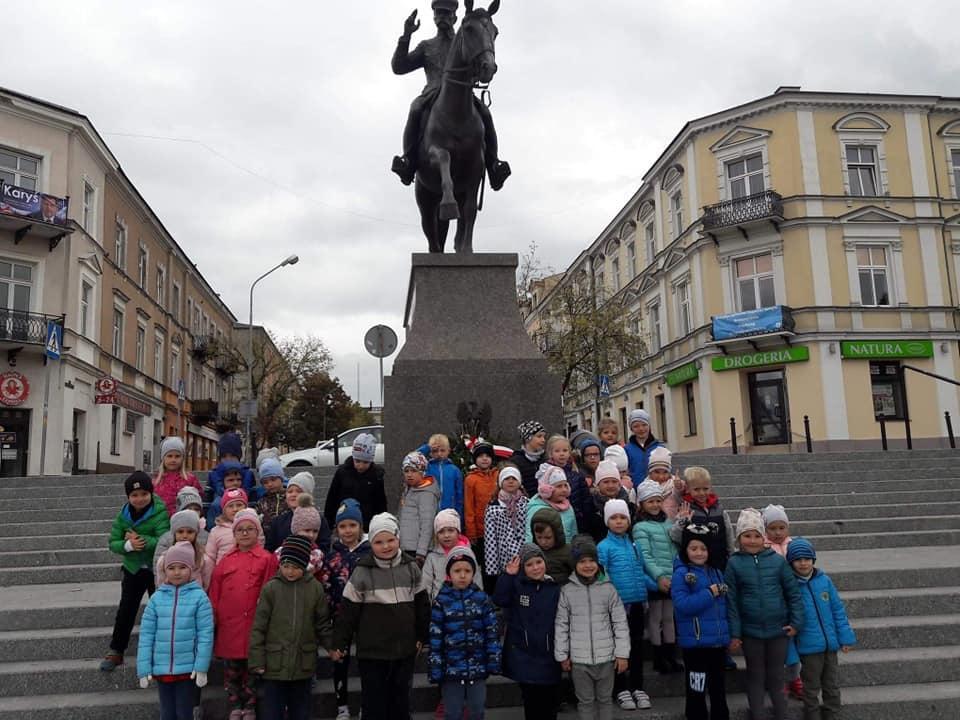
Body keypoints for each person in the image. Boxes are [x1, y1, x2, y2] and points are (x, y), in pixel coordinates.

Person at [390, 0, 511, 190]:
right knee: (415, 108)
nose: (443, 17)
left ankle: (493, 165)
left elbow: (477, 64)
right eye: (439, 14)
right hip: (432, 92)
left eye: (447, 14)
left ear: (455, 17)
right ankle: (408, 161)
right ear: (434, 17)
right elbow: (399, 67)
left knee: (486, 115)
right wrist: (406, 36)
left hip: (463, 96)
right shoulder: (426, 46)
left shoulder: (465, 42)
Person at [329, 512, 431, 720]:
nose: (386, 546)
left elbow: (422, 606)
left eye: (390, 540)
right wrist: (339, 643)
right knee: (374, 704)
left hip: (404, 650)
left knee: (400, 702)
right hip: (372, 653)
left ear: (398, 539)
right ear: (371, 543)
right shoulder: (362, 571)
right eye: (379, 542)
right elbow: (348, 612)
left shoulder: (411, 567)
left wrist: (422, 636)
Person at [725, 508, 805, 720]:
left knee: (777, 677)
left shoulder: (778, 561)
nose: (752, 541)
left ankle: (782, 714)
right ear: (740, 538)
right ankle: (757, 714)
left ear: (764, 537)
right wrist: (735, 633)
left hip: (778, 630)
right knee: (755, 676)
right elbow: (731, 601)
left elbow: (793, 593)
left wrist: (796, 622)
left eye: (756, 536)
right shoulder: (734, 563)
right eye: (747, 536)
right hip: (751, 632)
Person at [249, 535, 333, 720]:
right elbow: (259, 627)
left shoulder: (315, 589)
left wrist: (331, 647)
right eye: (286, 566)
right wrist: (257, 660)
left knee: (300, 711)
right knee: (272, 712)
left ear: (304, 565)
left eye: (295, 567)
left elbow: (322, 624)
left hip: (303, 664)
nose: (290, 571)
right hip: (274, 664)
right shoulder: (271, 589)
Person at [208, 509, 278, 720]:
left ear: (258, 533)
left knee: (253, 670)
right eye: (240, 530)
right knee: (232, 672)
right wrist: (214, 615)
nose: (245, 533)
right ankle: (235, 705)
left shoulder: (267, 559)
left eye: (250, 529)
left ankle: (250, 706)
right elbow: (215, 591)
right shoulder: (226, 561)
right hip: (229, 626)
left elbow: (270, 588)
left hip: (254, 625)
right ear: (234, 534)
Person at [555, 536, 630, 720]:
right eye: (582, 561)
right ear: (575, 564)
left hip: (606, 658)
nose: (588, 565)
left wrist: (622, 654)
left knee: (605, 700)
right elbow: (561, 624)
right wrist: (562, 655)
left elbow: (620, 622)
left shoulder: (608, 588)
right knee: (585, 701)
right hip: (579, 661)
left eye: (592, 561)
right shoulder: (567, 591)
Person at [102, 471, 171, 672]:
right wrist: (128, 545)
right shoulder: (123, 516)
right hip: (133, 569)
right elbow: (112, 543)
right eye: (134, 495)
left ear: (150, 493)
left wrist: (140, 540)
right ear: (128, 497)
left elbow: (164, 539)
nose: (139, 499)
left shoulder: (160, 512)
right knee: (126, 610)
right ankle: (116, 650)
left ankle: (164, 651)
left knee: (161, 610)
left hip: (155, 569)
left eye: (143, 494)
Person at [136, 542, 213, 720]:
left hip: (187, 669)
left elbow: (205, 634)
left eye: (182, 567)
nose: (176, 572)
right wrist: (144, 668)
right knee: (167, 713)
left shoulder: (199, 597)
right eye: (171, 568)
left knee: (184, 712)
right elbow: (147, 635)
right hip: (162, 669)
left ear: (191, 569)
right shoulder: (156, 599)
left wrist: (201, 667)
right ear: (165, 570)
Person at [786, 538, 856, 720]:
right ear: (791, 562)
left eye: (807, 558)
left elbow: (837, 611)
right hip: (809, 649)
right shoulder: (790, 587)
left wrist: (846, 638)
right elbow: (788, 622)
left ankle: (832, 716)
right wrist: (791, 654)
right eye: (798, 559)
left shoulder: (824, 581)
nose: (803, 563)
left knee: (832, 686)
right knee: (811, 689)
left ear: (813, 560)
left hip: (830, 646)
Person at [428, 546, 501, 720]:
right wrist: (436, 668)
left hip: (478, 668)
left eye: (467, 570)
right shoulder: (441, 602)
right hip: (451, 670)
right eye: (457, 570)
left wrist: (493, 661)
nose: (462, 575)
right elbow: (435, 639)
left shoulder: (481, 599)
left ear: (473, 573)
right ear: (449, 573)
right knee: (452, 713)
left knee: (477, 711)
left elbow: (492, 633)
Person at [597, 499, 656, 710]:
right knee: (619, 648)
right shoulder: (603, 547)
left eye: (623, 517)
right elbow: (601, 576)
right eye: (614, 517)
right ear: (607, 521)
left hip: (638, 603)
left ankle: (637, 686)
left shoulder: (634, 545)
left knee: (637, 646)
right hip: (618, 607)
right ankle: (621, 688)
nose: (619, 521)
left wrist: (658, 584)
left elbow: (640, 572)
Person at [493, 544, 562, 720]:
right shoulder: (517, 586)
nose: (535, 567)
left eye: (539, 562)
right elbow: (500, 599)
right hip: (524, 656)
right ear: (523, 568)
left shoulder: (554, 588)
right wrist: (508, 575)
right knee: (532, 703)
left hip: (549, 655)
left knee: (550, 702)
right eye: (529, 564)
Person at [671, 525, 731, 720]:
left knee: (718, 691)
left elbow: (724, 607)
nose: (699, 553)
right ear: (685, 550)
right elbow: (683, 605)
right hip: (696, 645)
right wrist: (709, 593)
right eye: (694, 548)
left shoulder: (716, 572)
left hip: (717, 643)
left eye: (703, 549)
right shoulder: (682, 574)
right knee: (696, 691)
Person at [319, 499, 372, 720]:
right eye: (343, 526)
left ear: (361, 526)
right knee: (340, 662)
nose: (348, 531)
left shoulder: (370, 555)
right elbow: (327, 588)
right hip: (340, 618)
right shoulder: (332, 557)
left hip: (368, 618)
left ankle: (366, 705)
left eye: (352, 525)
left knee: (368, 664)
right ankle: (342, 706)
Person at [633, 479, 682, 675]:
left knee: (669, 617)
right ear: (642, 504)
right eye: (649, 501)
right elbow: (645, 556)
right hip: (656, 579)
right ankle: (658, 657)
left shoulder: (668, 523)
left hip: (672, 577)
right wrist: (659, 576)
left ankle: (670, 655)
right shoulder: (640, 527)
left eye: (657, 501)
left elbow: (675, 548)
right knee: (655, 618)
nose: (654, 505)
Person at [762, 504, 800, 698]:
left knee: (793, 645)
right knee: (777, 647)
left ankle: (794, 678)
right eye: (772, 528)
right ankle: (778, 680)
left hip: (792, 601)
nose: (777, 533)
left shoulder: (793, 545)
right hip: (773, 603)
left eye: (781, 528)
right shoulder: (763, 548)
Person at [672, 467, 736, 571]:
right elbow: (675, 537)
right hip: (695, 564)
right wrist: (682, 521)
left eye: (705, 489)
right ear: (688, 489)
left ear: (710, 487)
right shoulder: (685, 509)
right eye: (696, 489)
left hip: (719, 561)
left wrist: (731, 555)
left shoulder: (719, 509)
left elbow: (728, 534)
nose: (701, 493)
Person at [323, 432, 387, 532]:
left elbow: (380, 504)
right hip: (345, 523)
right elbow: (332, 500)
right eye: (357, 461)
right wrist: (329, 524)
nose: (360, 466)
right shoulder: (342, 472)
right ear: (353, 457)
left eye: (365, 462)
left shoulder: (376, 475)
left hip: (367, 526)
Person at [265, 471, 332, 553]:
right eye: (290, 491)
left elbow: (324, 547)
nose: (293, 494)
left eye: (299, 491)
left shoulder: (319, 519)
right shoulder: (278, 522)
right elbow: (270, 549)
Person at [422, 508, 479, 600]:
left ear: (458, 532)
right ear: (436, 535)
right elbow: (426, 583)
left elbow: (477, 579)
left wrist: (478, 599)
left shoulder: (467, 553)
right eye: (441, 532)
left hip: (467, 604)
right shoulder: (432, 557)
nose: (446, 535)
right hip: (441, 605)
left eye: (450, 530)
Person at [483, 465, 529, 578]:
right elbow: (490, 539)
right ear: (500, 482)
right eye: (507, 479)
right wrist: (492, 568)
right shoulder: (493, 507)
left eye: (514, 479)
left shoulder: (526, 504)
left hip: (523, 554)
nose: (510, 481)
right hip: (503, 555)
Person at [464, 441, 499, 584]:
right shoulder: (471, 479)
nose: (484, 459)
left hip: (499, 527)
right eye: (480, 456)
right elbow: (469, 506)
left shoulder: (498, 475)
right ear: (475, 459)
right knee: (486, 563)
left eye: (487, 456)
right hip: (482, 530)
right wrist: (472, 532)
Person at [398, 451, 441, 565]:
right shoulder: (409, 490)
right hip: (406, 546)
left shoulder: (426, 494)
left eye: (413, 470)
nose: (409, 474)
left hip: (417, 550)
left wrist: (421, 551)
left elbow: (427, 523)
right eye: (406, 471)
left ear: (422, 472)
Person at [155, 510, 212, 590]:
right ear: (174, 533)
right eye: (180, 532)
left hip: (194, 598)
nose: (185, 536)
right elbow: (161, 581)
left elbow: (206, 582)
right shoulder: (164, 558)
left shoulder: (204, 559)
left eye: (190, 532)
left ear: (196, 533)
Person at [543, 435, 591, 532]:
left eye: (565, 451)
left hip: (577, 521)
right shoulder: (545, 474)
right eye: (557, 451)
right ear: (550, 453)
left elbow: (586, 500)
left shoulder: (577, 475)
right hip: (555, 521)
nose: (561, 454)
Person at [272, 493, 325, 576]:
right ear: (296, 530)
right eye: (306, 530)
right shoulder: (282, 552)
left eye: (315, 531)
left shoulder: (317, 554)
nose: (311, 535)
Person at [525, 464, 577, 544]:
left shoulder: (568, 507)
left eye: (565, 485)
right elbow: (530, 538)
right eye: (559, 486)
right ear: (546, 490)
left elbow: (574, 534)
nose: (564, 490)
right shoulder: (536, 510)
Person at [154, 486, 208, 563]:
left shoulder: (206, 536)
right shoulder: (167, 538)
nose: (192, 512)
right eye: (187, 508)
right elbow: (158, 562)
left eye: (196, 509)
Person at [205, 488, 259, 566]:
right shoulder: (216, 531)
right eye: (230, 506)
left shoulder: (254, 526)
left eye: (239, 505)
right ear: (224, 510)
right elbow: (210, 557)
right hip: (223, 573)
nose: (235, 509)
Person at [585, 460, 635, 542]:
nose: (610, 485)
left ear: (619, 484)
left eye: (614, 481)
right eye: (606, 482)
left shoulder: (629, 506)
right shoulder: (591, 506)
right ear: (597, 485)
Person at [153, 437, 203, 517]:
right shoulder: (156, 481)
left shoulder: (190, 479)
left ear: (182, 458)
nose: (173, 460)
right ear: (163, 458)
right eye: (169, 456)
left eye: (177, 456)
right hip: (162, 520)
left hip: (184, 520)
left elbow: (198, 499)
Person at [418, 434, 464, 517]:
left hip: (449, 514)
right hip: (428, 514)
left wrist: (458, 516)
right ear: (430, 452)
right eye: (435, 451)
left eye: (442, 450)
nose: (439, 454)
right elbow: (413, 458)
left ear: (448, 451)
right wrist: (427, 447)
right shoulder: (426, 467)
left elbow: (459, 496)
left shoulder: (454, 470)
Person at [207, 432, 258, 505]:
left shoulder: (248, 473)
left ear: (238, 457)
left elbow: (253, 498)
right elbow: (208, 498)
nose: (228, 459)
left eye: (232, 456)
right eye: (224, 457)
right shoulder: (214, 473)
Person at [528, 507, 574, 585]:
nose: (543, 542)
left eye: (548, 537)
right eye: (539, 537)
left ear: (557, 534)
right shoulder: (532, 552)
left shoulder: (568, 551)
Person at [624, 409, 664, 487]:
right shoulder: (627, 450)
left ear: (649, 426)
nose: (641, 429)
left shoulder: (660, 448)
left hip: (657, 492)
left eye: (644, 425)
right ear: (631, 429)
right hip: (636, 491)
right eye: (636, 426)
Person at [511, 420, 548, 498]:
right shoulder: (515, 461)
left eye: (544, 437)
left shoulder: (546, 459)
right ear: (528, 438)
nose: (543, 440)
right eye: (539, 436)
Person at [206, 461, 247, 528]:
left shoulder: (245, 497)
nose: (235, 483)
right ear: (222, 482)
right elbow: (211, 527)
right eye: (231, 480)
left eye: (239, 479)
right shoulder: (217, 503)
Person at [645, 447, 682, 519]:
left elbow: (680, 497)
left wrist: (678, 487)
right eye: (657, 472)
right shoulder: (644, 486)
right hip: (653, 524)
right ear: (650, 472)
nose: (661, 477)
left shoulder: (675, 484)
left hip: (673, 523)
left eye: (665, 472)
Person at [256, 458, 287, 529]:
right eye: (265, 482)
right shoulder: (261, 502)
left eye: (273, 479)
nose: (269, 484)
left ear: (281, 478)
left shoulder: (290, 498)